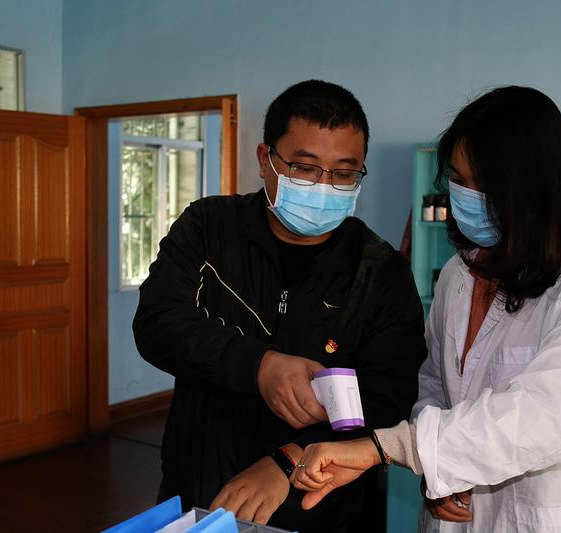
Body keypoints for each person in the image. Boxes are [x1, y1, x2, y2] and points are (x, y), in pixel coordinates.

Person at [291, 86, 561, 533]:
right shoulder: (459, 272)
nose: (467, 196)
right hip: (454, 518)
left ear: (534, 187)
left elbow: (548, 415)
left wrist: (396, 447)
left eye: (485, 185)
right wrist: (443, 474)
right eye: (458, 179)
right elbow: (433, 384)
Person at [132, 79, 427, 532]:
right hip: (205, 495)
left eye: (343, 174)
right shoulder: (209, 228)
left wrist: (290, 460)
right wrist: (259, 366)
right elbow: (158, 323)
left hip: (326, 508)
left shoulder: (379, 271)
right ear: (264, 159)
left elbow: (391, 397)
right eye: (304, 168)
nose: (323, 186)